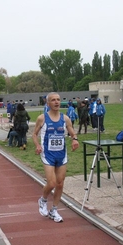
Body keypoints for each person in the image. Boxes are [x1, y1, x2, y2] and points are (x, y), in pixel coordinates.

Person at [32, 92, 79, 223]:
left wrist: (75, 140)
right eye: (53, 100)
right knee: (51, 183)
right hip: (48, 155)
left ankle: (54, 210)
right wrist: (37, 145)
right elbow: (34, 134)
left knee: (60, 183)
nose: (56, 102)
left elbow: (72, 133)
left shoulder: (65, 119)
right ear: (48, 103)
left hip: (61, 155)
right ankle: (43, 200)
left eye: (58, 100)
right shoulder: (42, 118)